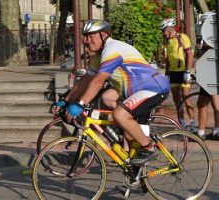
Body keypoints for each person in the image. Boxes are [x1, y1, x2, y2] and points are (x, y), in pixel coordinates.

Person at [55, 19, 170, 165]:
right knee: (126, 130)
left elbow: (98, 81)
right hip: (138, 92)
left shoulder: (112, 49)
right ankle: (135, 177)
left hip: (153, 88)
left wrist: (80, 104)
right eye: (85, 36)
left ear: (103, 35)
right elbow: (85, 81)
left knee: (120, 114)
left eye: (91, 36)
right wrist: (66, 100)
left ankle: (150, 147)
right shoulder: (100, 55)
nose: (86, 41)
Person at [160, 18, 196, 131]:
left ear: (169, 29)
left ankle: (193, 122)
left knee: (186, 96)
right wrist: (167, 73)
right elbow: (168, 59)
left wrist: (188, 71)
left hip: (184, 71)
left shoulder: (182, 37)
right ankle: (182, 122)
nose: (162, 34)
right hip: (173, 72)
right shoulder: (167, 41)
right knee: (176, 99)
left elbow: (190, 54)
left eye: (163, 31)